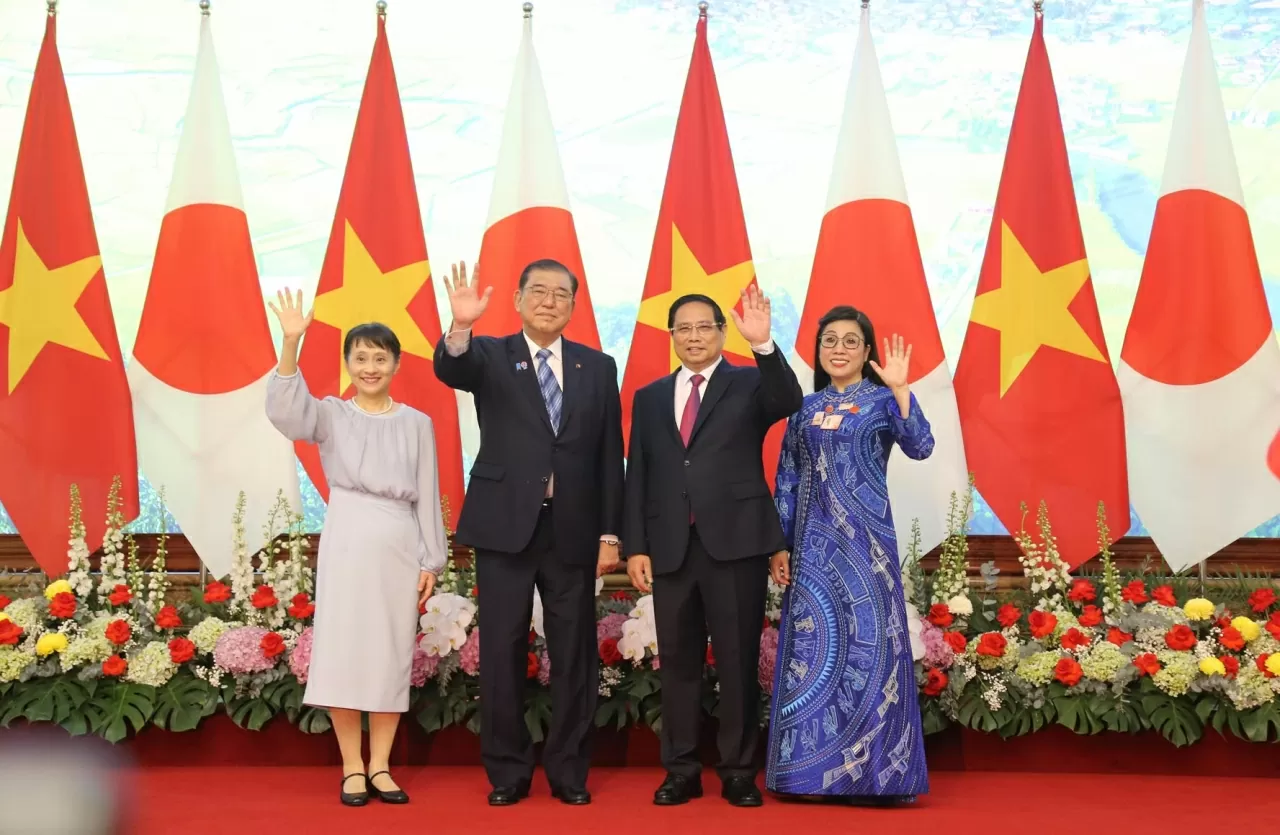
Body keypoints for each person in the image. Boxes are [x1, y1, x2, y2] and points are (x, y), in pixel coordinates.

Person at [434, 259, 625, 807]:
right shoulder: (490, 354)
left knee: (574, 655)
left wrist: (611, 534)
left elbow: (610, 454)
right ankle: (508, 770)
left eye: (560, 294)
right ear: (516, 299)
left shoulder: (598, 366)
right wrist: (462, 325)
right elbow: (454, 370)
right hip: (504, 527)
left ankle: (568, 769)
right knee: (501, 650)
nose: (548, 301)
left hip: (574, 530)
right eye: (537, 291)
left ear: (572, 304)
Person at [265, 290, 448, 808]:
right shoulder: (329, 414)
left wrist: (431, 558)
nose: (370, 367)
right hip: (346, 535)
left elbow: (429, 491)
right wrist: (291, 341)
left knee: (389, 653)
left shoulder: (417, 423)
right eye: (360, 357)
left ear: (396, 363)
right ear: (348, 363)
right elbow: (286, 413)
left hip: (398, 543)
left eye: (380, 357)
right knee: (345, 652)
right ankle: (351, 767)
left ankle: (382, 767)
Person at [623, 289, 803, 808]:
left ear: (723, 332)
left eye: (705, 327)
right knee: (677, 665)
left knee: (737, 661)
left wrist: (763, 344)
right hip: (672, 547)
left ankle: (739, 771)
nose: (695, 337)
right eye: (684, 328)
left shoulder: (748, 383)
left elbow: (788, 399)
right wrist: (636, 545)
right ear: (672, 335)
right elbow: (641, 475)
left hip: (737, 543)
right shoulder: (651, 395)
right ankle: (680, 770)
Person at [765, 305, 933, 803]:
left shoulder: (882, 401)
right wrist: (780, 543)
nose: (839, 349)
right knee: (814, 655)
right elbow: (788, 478)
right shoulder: (803, 406)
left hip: (868, 546)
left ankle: (879, 775)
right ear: (819, 352)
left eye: (850, 341)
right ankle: (806, 777)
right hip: (814, 550)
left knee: (870, 649)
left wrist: (902, 392)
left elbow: (921, 446)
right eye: (830, 340)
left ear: (866, 351)